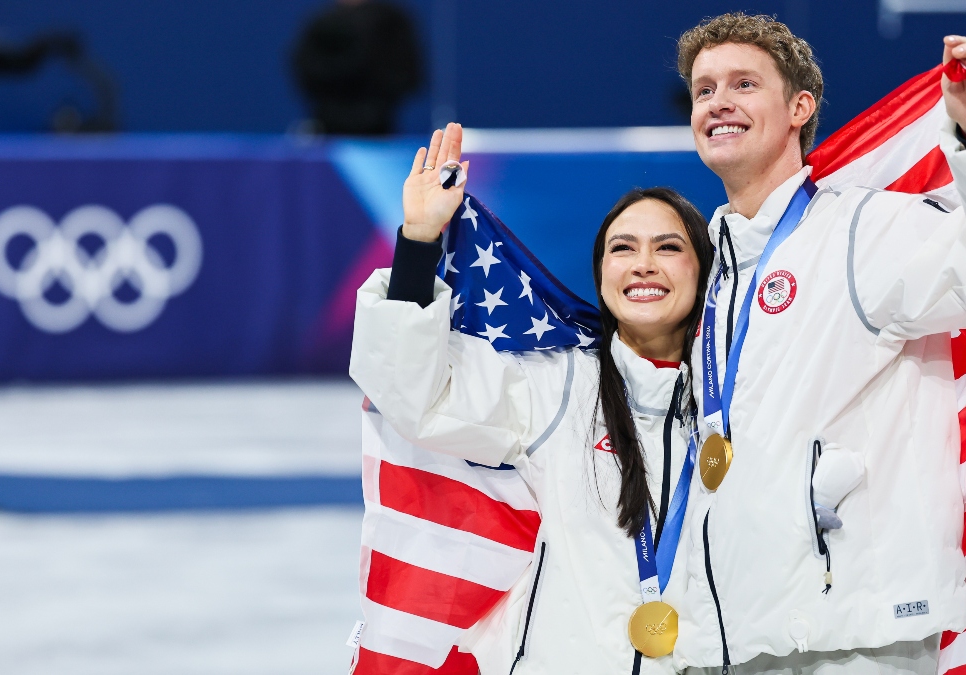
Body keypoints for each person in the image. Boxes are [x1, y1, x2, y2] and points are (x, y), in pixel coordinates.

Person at [670, 13, 966, 675]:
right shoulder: (707, 270)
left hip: (848, 639)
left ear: (800, 107)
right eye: (704, 89)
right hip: (733, 638)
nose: (718, 101)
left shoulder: (862, 230)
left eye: (744, 84)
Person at [349, 123, 714, 674]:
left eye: (668, 247)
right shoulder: (558, 384)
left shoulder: (732, 397)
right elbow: (415, 392)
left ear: (703, 271)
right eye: (623, 248)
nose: (644, 263)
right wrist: (420, 241)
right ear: (601, 275)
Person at [291, 0, 422, 135]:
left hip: (380, 130)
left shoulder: (391, 21)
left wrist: (375, 106)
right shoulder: (322, 22)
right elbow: (307, 68)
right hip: (328, 128)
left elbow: (408, 72)